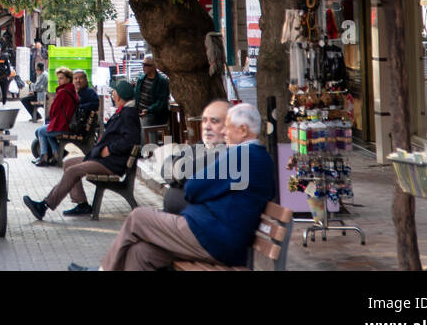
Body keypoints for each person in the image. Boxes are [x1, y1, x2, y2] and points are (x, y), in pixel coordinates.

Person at [72, 103, 275, 271]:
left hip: (211, 238)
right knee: (140, 253)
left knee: (138, 218)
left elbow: (193, 188)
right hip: (213, 236)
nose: (223, 131)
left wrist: (204, 191)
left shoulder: (241, 156)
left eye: (228, 126)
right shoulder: (257, 158)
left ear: (243, 130)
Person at [23, 78, 141, 219]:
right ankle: (82, 204)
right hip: (104, 159)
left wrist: (110, 149)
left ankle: (44, 206)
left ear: (120, 95)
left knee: (73, 171)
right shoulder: (123, 111)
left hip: (111, 162)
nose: (112, 94)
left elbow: (130, 139)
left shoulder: (129, 114)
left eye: (114, 91)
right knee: (69, 163)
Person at [161, 99, 231, 214]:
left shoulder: (227, 153)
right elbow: (165, 167)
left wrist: (177, 179)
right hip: (180, 219)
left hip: (202, 223)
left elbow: (183, 171)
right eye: (204, 121)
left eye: (214, 121)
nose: (207, 127)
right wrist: (178, 178)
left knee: (138, 219)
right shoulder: (202, 146)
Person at [34, 67, 76, 167]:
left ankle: (44, 157)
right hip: (68, 124)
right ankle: (55, 155)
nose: (58, 80)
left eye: (61, 78)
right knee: (47, 131)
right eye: (58, 78)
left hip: (63, 126)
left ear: (68, 79)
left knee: (41, 131)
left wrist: (52, 117)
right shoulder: (72, 90)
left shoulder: (63, 92)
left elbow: (52, 111)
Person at [134, 55, 171, 130]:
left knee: (146, 121)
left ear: (154, 66)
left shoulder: (162, 82)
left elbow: (162, 102)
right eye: (143, 64)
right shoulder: (141, 79)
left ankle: (151, 141)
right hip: (139, 113)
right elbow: (136, 96)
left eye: (146, 65)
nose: (143, 67)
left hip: (153, 115)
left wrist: (149, 110)